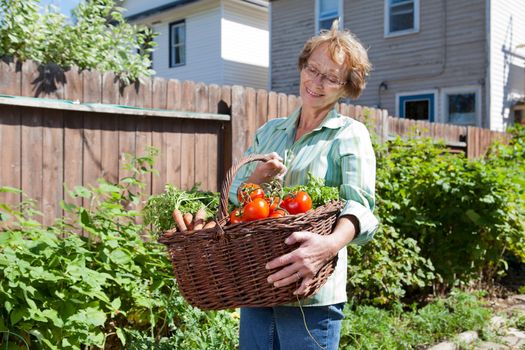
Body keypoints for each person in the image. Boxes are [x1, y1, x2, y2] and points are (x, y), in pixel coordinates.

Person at [230, 21, 379, 350]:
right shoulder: (270, 131)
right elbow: (232, 199)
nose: (316, 82)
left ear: (347, 87)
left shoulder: (349, 135)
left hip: (311, 296)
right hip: (258, 285)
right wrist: (257, 180)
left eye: (331, 77)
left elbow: (362, 210)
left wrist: (326, 247)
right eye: (313, 69)